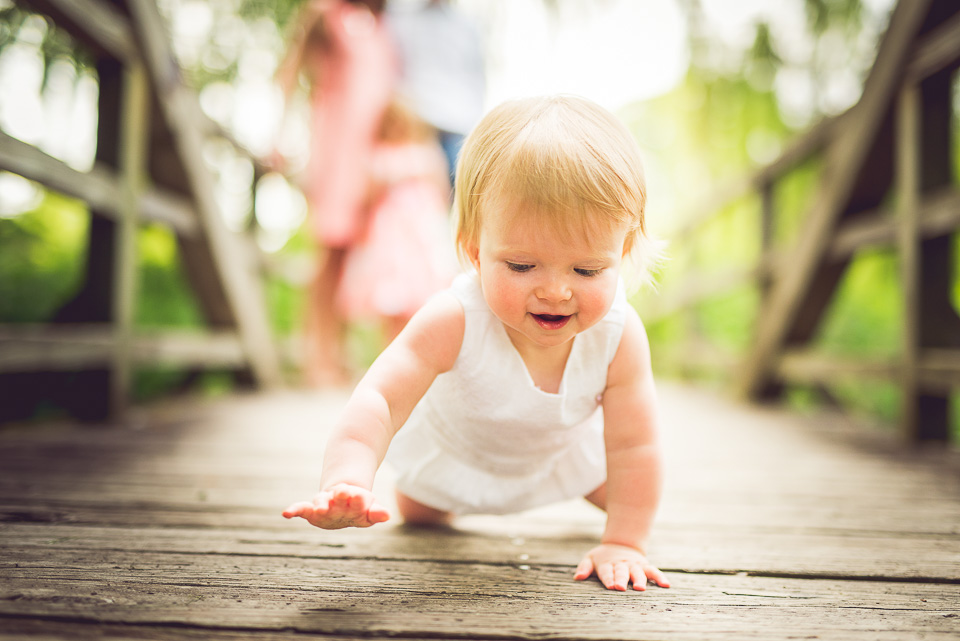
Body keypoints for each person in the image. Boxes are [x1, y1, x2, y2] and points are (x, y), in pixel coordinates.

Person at [283, 95, 670, 593]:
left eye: (588, 270)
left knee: (631, 492)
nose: (556, 290)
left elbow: (635, 444)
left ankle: (613, 518)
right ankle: (427, 495)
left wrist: (625, 541)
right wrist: (348, 479)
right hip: (458, 455)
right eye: (521, 266)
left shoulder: (618, 336)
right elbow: (379, 399)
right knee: (418, 513)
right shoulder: (455, 318)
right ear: (473, 249)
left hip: (558, 456)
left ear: (623, 253)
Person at [273, 0, 397, 385]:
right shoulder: (325, 15)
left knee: (349, 260)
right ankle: (315, 357)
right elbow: (291, 69)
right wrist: (279, 133)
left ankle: (336, 354)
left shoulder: (382, 30)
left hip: (370, 161)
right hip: (336, 152)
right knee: (327, 255)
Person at [335, 97, 457, 343]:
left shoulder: (426, 152)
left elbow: (442, 191)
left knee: (420, 297)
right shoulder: (377, 156)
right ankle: (391, 353)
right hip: (389, 241)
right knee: (391, 298)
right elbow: (366, 196)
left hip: (421, 239)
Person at [386, 0, 485, 181]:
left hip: (455, 128)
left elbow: (476, 79)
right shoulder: (397, 17)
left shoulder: (465, 25)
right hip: (416, 127)